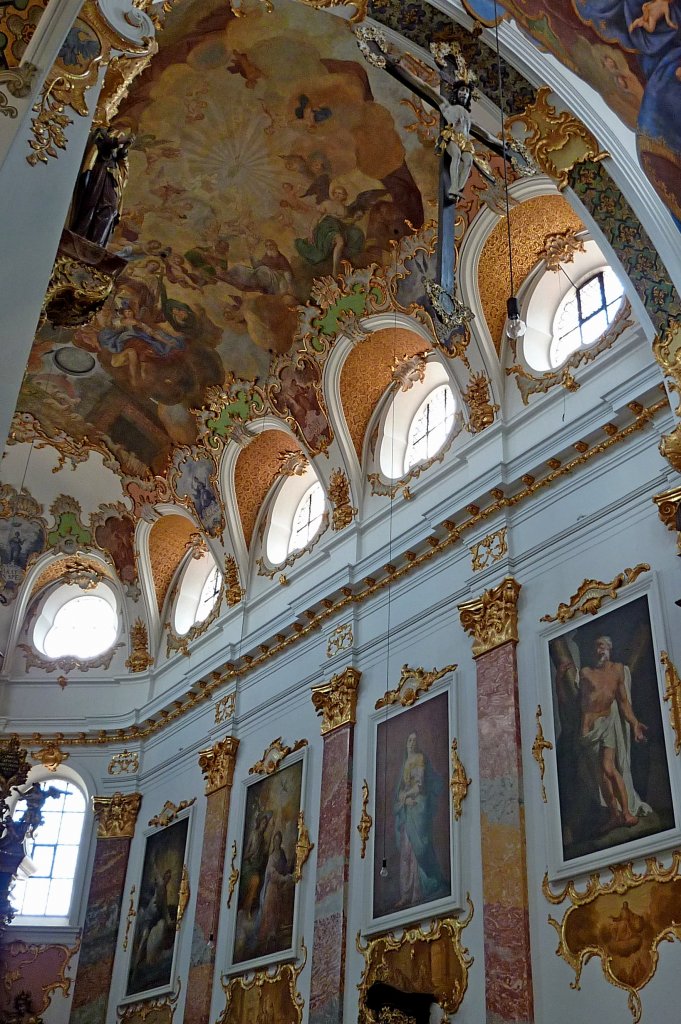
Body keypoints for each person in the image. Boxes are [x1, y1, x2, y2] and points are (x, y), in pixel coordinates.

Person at [577, 635, 650, 831]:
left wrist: (634, 723)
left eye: (601, 646)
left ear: (609, 648)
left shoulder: (617, 671)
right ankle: (614, 815)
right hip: (590, 729)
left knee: (609, 768)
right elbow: (580, 704)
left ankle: (626, 812)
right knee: (602, 774)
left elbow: (624, 702)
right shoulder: (585, 673)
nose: (598, 651)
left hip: (608, 723)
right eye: (595, 647)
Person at [393, 732, 448, 909]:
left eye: (415, 740)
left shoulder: (419, 759)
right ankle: (405, 894)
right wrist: (403, 799)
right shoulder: (405, 763)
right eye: (409, 740)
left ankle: (418, 893)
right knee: (405, 854)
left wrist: (406, 797)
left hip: (417, 808)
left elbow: (419, 785)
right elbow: (401, 790)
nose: (411, 743)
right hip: (408, 808)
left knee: (417, 850)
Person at [70, 127, 133, 248]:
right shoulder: (102, 133)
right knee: (92, 204)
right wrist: (118, 141)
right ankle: (81, 235)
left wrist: (124, 149)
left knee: (110, 210)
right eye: (119, 136)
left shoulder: (116, 161)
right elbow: (102, 143)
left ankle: (97, 244)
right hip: (100, 173)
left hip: (113, 180)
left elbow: (124, 165)